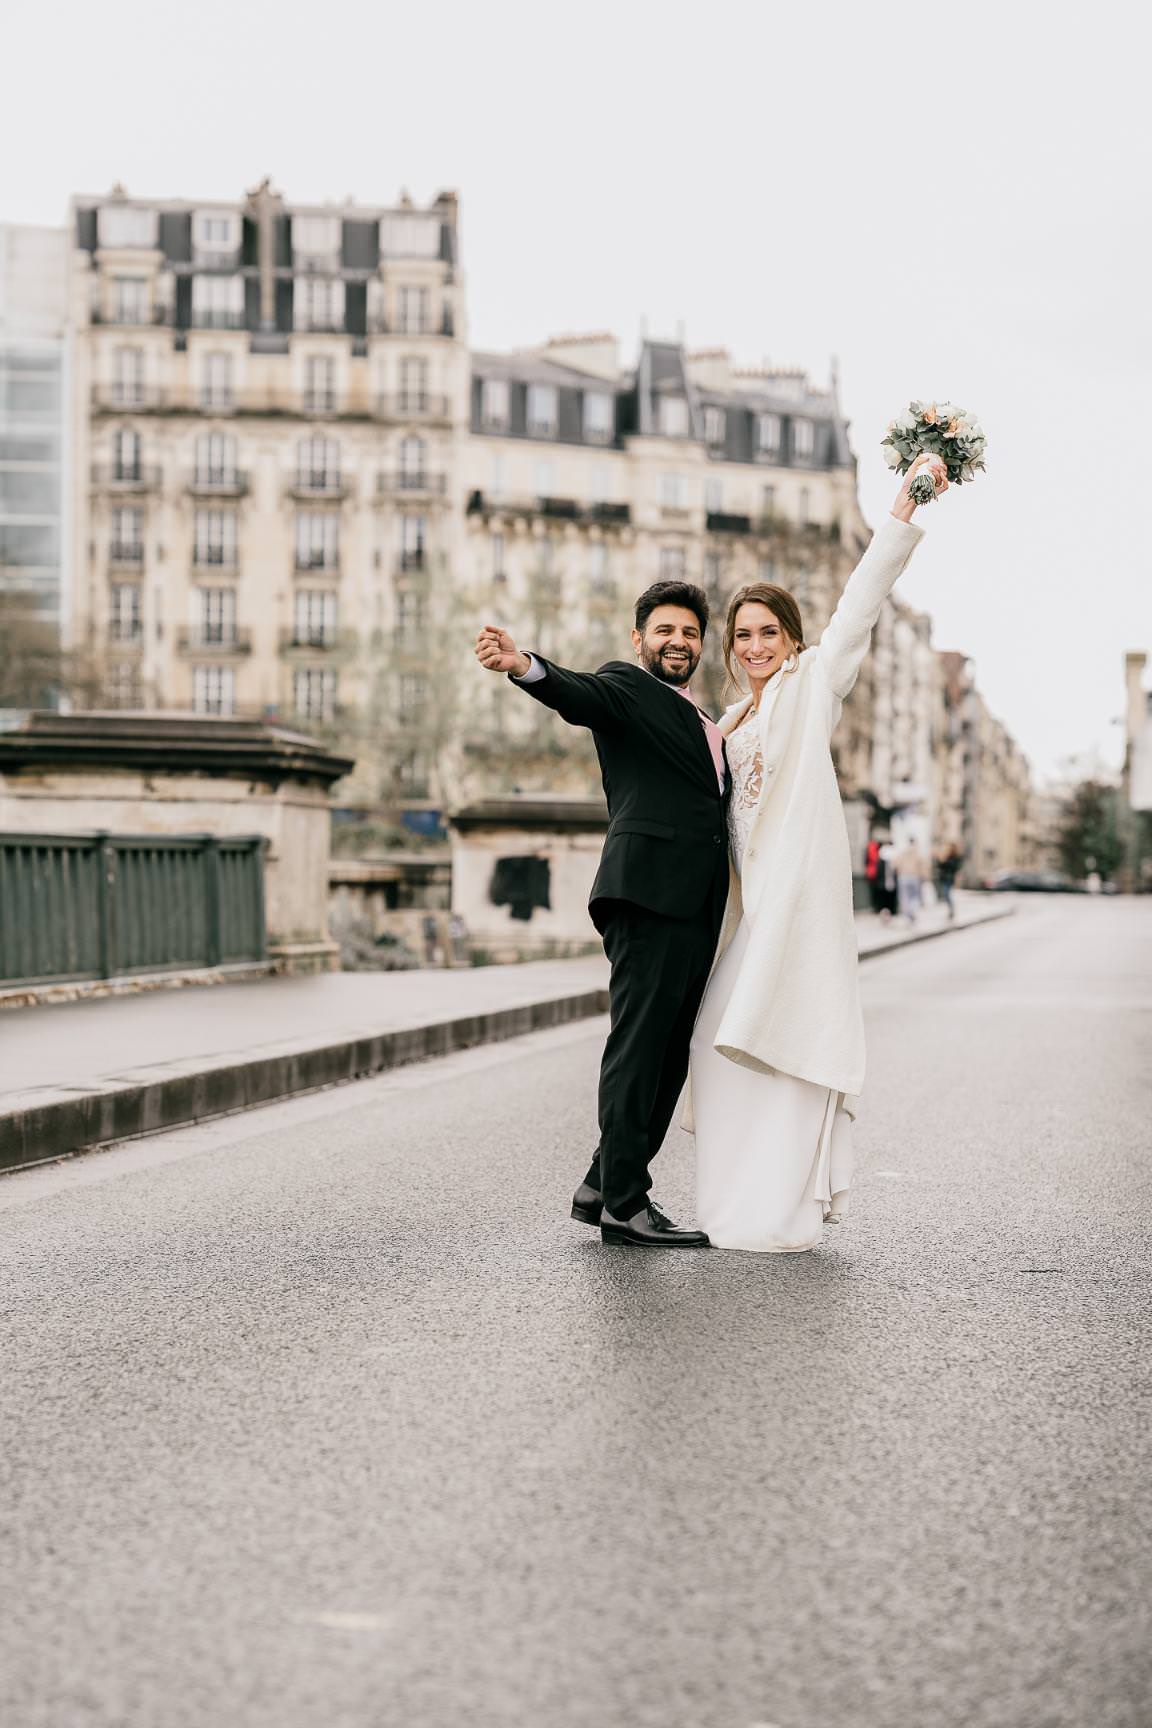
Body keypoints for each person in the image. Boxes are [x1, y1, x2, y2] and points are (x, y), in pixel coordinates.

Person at [689, 452, 948, 1253]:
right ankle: (730, 1203)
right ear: (730, 651)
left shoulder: (815, 685)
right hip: (748, 914)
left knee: (792, 1053)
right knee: (716, 1046)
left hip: (796, 912)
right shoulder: (727, 723)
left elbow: (860, 607)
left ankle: (782, 1213)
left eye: (770, 633)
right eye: (744, 637)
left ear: (792, 640)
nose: (757, 645)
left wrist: (899, 513)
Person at [474, 580, 730, 1249]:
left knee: (668, 1054)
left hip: (693, 903)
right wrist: (524, 665)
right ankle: (625, 1203)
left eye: (690, 634)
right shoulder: (625, 687)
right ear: (638, 637)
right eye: (665, 631)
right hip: (647, 894)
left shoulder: (699, 716)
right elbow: (578, 693)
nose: (678, 642)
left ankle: (602, 1182)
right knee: (639, 1048)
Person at [895, 835, 927, 923]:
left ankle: (907, 914)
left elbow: (895, 864)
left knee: (904, 897)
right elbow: (923, 865)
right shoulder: (918, 853)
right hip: (914, 876)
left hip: (903, 877)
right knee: (914, 896)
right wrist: (923, 876)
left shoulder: (903, 852)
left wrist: (899, 871)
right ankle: (912, 911)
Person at [934, 843, 963, 919]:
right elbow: (940, 866)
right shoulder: (947, 856)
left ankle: (951, 910)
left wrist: (944, 861)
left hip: (949, 878)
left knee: (946, 894)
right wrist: (939, 859)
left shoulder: (955, 857)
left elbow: (954, 867)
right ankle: (951, 910)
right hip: (944, 878)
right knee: (946, 895)